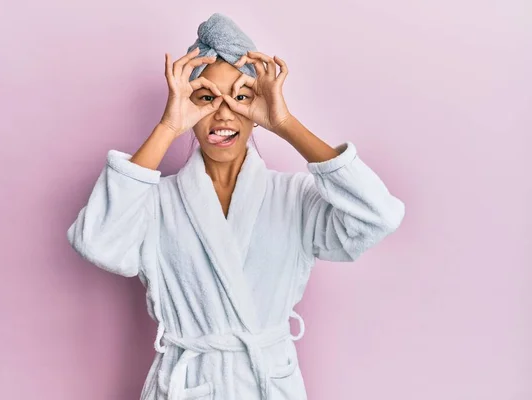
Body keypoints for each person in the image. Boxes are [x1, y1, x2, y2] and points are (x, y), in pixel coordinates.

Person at [67, 13, 405, 400]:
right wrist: (167, 127)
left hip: (267, 385)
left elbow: (379, 215)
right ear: (187, 105)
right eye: (207, 97)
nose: (224, 113)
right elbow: (99, 242)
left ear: (258, 107)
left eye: (241, 97)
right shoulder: (155, 202)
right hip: (188, 384)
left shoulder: (294, 198)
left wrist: (285, 122)